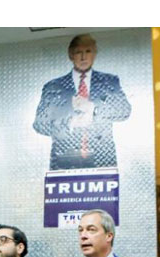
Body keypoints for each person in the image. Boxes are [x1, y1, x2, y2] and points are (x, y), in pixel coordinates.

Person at [33, 34, 131, 170]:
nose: (83, 57)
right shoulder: (53, 86)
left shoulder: (109, 81)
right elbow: (39, 124)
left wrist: (94, 109)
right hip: (64, 160)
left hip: (103, 158)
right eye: (79, 52)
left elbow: (124, 111)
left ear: (94, 54)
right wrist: (69, 123)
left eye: (88, 51)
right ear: (71, 55)